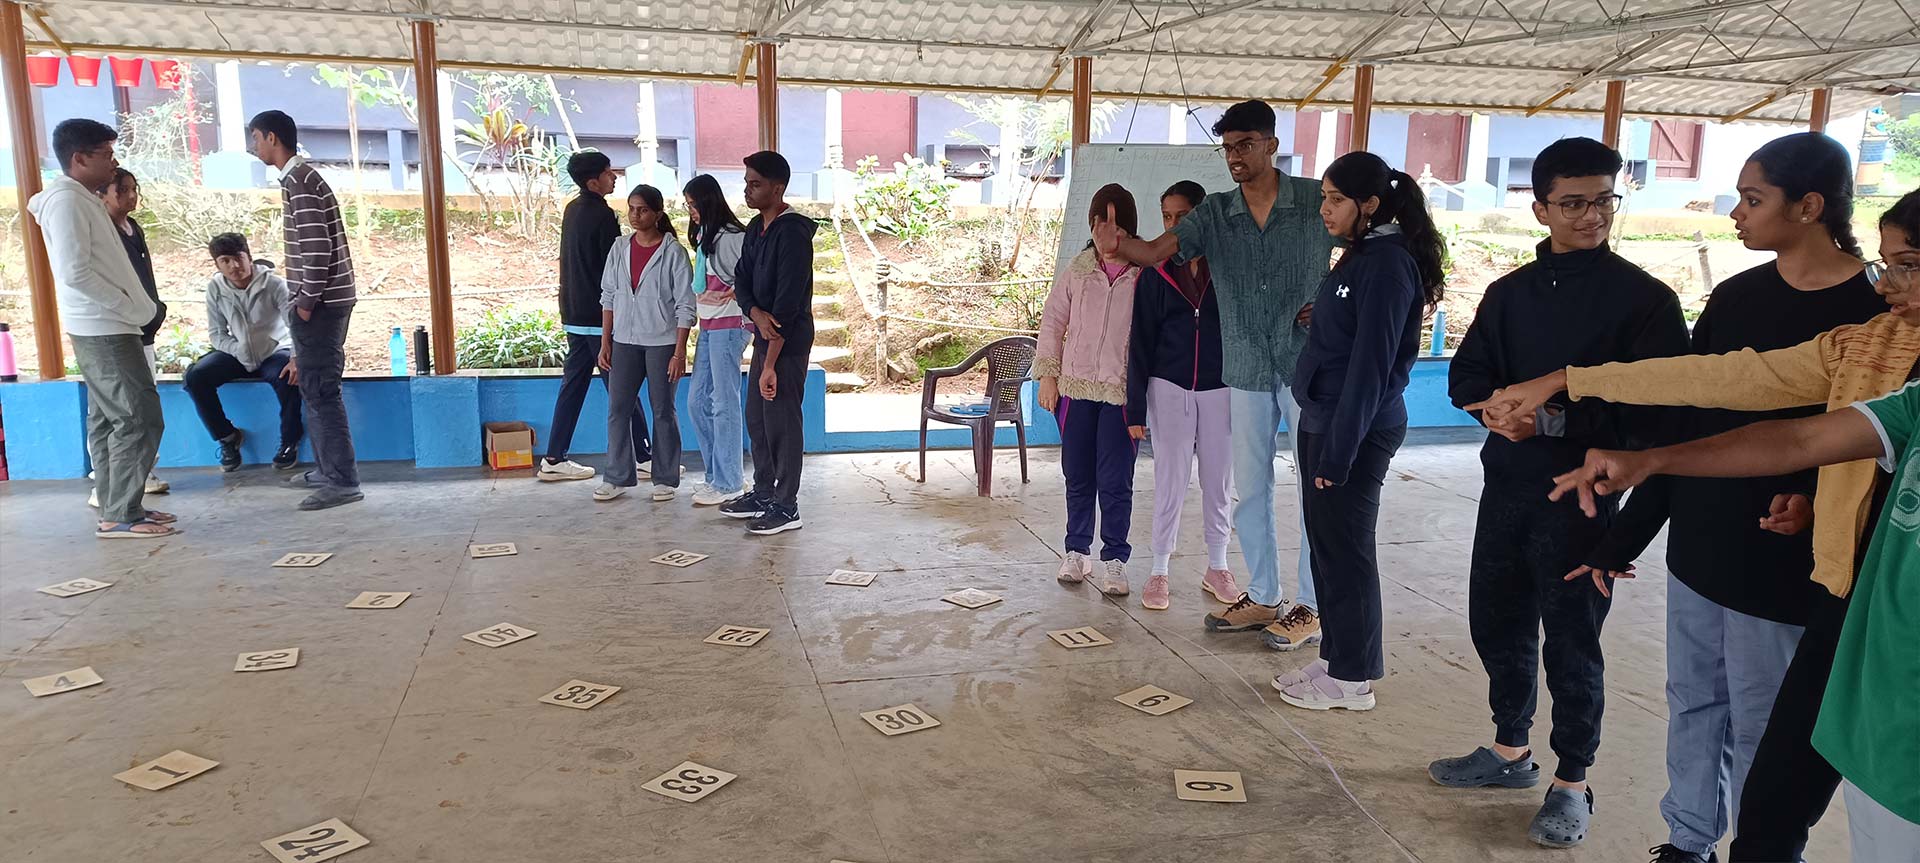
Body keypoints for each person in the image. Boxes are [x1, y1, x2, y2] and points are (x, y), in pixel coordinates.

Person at [1469, 188, 1920, 863]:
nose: (1888, 287)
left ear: (1808, 205)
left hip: (1858, 606)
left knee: (1864, 789)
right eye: (1890, 266)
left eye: (1908, 266)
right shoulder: (1872, 345)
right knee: (1775, 804)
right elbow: (1758, 404)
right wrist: (1595, 404)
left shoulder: (1643, 294)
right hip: (1846, 597)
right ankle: (1692, 840)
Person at [1546, 374, 1920, 863]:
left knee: (1758, 725)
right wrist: (1648, 463)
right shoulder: (1909, 400)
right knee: (1703, 712)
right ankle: (1689, 842)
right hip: (1874, 693)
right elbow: (1796, 437)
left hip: (1787, 589)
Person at [1434, 136, 1689, 849]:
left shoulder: (1646, 301)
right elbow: (1466, 375)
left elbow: (1658, 414)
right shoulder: (1509, 294)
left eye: (1604, 200)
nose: (1591, 216)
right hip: (1506, 486)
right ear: (1541, 208)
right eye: (1572, 203)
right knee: (1497, 619)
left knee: (1574, 640)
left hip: (1584, 497)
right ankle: (1509, 748)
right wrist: (1492, 412)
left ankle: (1573, 780)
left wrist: (1549, 419)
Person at [1094, 99, 1334, 650]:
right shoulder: (1215, 214)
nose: (1235, 157)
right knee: (1249, 488)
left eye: (1245, 145)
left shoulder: (1314, 200)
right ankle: (1264, 595)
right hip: (1244, 369)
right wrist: (1120, 246)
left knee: (1314, 487)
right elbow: (1156, 251)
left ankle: (1313, 603)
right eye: (1227, 148)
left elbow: (1373, 244)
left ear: (1272, 145)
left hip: (1307, 365)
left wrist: (1335, 300)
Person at [1271, 151, 1446, 712]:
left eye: (1336, 199)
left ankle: (1353, 680)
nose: (1325, 209)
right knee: (1327, 548)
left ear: (1370, 204)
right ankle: (1336, 658)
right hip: (1326, 420)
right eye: (1324, 198)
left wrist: (1339, 454)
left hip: (1354, 430)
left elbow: (1372, 368)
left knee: (1347, 552)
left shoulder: (1387, 264)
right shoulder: (1361, 254)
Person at [29, 119, 171, 537]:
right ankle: (121, 514)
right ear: (79, 158)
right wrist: (129, 307)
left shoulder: (80, 198)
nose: (114, 162)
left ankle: (119, 506)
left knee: (111, 419)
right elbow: (74, 272)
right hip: (104, 325)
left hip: (111, 323)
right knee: (138, 417)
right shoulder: (66, 202)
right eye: (106, 154)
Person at [1125, 181, 1231, 611]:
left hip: (1222, 386)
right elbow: (1140, 342)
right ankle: (1159, 570)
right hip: (1168, 386)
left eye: (1182, 217)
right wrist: (1135, 408)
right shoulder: (1155, 274)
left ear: (1200, 217)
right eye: (1166, 217)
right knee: (1170, 478)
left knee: (1219, 480)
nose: (1172, 226)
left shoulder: (1227, 269)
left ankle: (1218, 566)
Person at [248, 109, 361, 511]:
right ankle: (328, 470)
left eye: (256, 138)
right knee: (314, 391)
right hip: (324, 302)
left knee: (321, 391)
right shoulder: (298, 179)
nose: (254, 147)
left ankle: (342, 481)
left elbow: (317, 251)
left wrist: (307, 303)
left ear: (272, 138)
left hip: (322, 305)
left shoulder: (300, 181)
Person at [1045, 184, 1142, 596]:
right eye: (1101, 221)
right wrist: (1048, 376)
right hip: (1076, 390)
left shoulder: (1144, 274)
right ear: (1091, 224)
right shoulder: (1078, 270)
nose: (1107, 230)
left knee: (1116, 480)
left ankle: (1115, 559)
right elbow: (1053, 321)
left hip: (1121, 395)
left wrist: (1146, 399)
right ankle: (1076, 551)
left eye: (1117, 222)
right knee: (1078, 474)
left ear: (1129, 227)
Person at [539, 150, 649, 483]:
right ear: (593, 182)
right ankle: (644, 457)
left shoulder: (572, 210)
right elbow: (613, 269)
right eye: (607, 172)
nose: (614, 177)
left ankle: (554, 457)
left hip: (573, 312)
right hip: (598, 317)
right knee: (622, 386)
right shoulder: (602, 215)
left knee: (573, 386)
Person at [722, 151, 815, 535]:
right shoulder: (755, 228)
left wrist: (771, 364)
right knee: (757, 418)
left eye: (756, 184)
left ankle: (786, 505)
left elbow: (787, 306)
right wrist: (754, 312)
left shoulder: (792, 234)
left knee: (782, 423)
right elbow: (741, 279)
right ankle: (763, 492)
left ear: (778, 188)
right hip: (764, 336)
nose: (748, 190)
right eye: (746, 183)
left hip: (786, 344)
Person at [592, 184, 694, 503]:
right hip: (623, 341)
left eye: (643, 210)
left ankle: (665, 478)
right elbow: (608, 296)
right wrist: (606, 341)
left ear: (658, 214)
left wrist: (679, 352)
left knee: (662, 410)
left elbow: (685, 305)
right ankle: (617, 476)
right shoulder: (619, 248)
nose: (635, 215)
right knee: (617, 409)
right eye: (632, 209)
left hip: (663, 344)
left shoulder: (673, 252)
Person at [182, 233, 303, 472]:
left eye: (238, 258)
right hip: (238, 353)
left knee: (287, 377)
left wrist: (296, 358)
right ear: (217, 264)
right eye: (225, 261)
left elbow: (295, 325)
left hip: (274, 350)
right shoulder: (215, 289)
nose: (234, 266)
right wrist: (238, 350)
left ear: (249, 256)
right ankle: (227, 437)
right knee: (196, 376)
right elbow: (217, 334)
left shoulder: (274, 284)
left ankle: (290, 441)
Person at [97, 167, 169, 497]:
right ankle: (108, 482)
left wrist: (155, 310)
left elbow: (145, 276)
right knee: (121, 409)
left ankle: (144, 470)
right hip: (119, 328)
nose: (131, 196)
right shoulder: (103, 232)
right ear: (103, 195)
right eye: (122, 190)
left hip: (145, 328)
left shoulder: (134, 228)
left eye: (133, 189)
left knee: (146, 400)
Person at [682, 174, 751, 507]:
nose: (691, 211)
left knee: (724, 403)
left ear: (708, 202)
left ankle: (729, 482)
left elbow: (752, 275)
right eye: (687, 206)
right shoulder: (705, 236)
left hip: (730, 324)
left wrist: (737, 297)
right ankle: (717, 475)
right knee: (697, 402)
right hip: (709, 325)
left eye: (694, 204)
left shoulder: (732, 236)